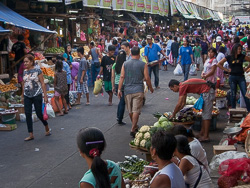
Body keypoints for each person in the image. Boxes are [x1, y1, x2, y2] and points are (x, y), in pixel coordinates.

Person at [118, 46, 154, 137]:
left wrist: (119, 89)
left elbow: (122, 77)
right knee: (136, 111)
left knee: (131, 111)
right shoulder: (143, 64)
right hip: (138, 90)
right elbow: (147, 78)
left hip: (127, 90)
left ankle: (134, 127)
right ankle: (133, 128)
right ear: (138, 54)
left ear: (131, 54)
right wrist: (150, 87)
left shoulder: (125, 64)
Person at [22, 54, 50, 141]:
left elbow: (42, 83)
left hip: (37, 94)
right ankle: (31, 134)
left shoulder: (38, 70)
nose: (25, 63)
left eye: (27, 62)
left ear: (31, 62)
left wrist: (45, 96)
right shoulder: (24, 71)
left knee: (39, 114)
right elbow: (23, 83)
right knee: (28, 114)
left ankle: (46, 126)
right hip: (27, 95)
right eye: (24, 62)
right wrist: (22, 95)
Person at [217, 43, 250, 112]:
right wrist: (226, 70)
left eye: (240, 49)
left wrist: (247, 68)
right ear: (234, 49)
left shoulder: (242, 56)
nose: (239, 51)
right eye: (238, 49)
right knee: (233, 94)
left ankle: (249, 110)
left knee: (245, 94)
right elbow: (219, 64)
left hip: (241, 76)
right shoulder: (229, 57)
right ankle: (233, 110)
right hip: (232, 77)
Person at [112, 50, 127, 125]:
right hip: (123, 84)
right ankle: (119, 118)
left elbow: (112, 76)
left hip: (117, 84)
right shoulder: (125, 64)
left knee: (121, 101)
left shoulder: (115, 64)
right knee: (122, 102)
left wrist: (113, 86)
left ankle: (118, 116)